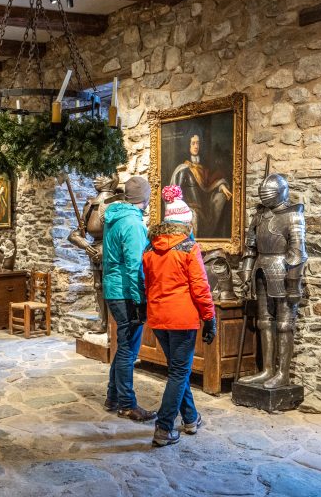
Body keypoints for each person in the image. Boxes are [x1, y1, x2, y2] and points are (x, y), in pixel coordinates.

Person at [143, 185, 216, 447]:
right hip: (182, 318)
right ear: (186, 223)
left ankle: (191, 418)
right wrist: (210, 317)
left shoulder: (150, 249)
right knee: (178, 372)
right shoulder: (188, 248)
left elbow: (148, 284)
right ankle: (163, 428)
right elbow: (200, 287)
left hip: (159, 318)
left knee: (177, 370)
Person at [238, 165, 306, 389]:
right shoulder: (259, 215)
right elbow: (250, 248)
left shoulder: (293, 216)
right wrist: (246, 274)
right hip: (261, 268)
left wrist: (294, 284)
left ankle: (282, 373)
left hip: (283, 269)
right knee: (264, 321)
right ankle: (267, 369)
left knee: (285, 324)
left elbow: (297, 253)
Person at [102, 176, 156, 421]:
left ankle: (113, 397)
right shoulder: (133, 224)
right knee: (128, 351)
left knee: (123, 347)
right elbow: (136, 266)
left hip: (114, 288)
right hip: (125, 292)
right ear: (144, 199)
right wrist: (140, 300)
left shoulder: (115, 217)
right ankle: (127, 404)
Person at [67, 174, 124, 331]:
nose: (96, 179)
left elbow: (120, 234)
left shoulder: (116, 204)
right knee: (98, 285)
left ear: (112, 180)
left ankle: (113, 325)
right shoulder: (90, 205)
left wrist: (105, 250)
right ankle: (103, 322)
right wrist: (85, 244)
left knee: (111, 286)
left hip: (111, 251)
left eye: (104, 176)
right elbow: (75, 233)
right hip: (93, 249)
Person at [169, 132, 232, 237]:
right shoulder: (183, 169)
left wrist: (221, 186)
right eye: (193, 143)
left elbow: (208, 185)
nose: (196, 146)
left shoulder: (202, 169)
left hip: (203, 211)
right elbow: (177, 196)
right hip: (190, 211)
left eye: (198, 143)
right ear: (187, 145)